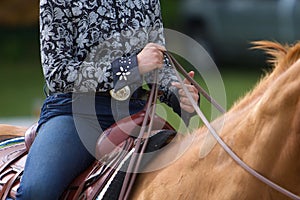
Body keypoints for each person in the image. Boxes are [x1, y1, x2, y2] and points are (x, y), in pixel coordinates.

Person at [16, 0, 199, 199]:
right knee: (36, 191)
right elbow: (58, 74)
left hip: (134, 114)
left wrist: (178, 94)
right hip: (74, 115)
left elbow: (157, 61)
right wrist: (131, 66)